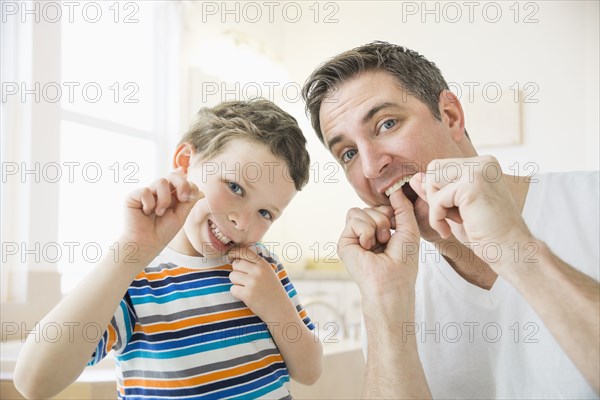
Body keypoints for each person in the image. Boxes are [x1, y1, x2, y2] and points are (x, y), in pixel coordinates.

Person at [301, 41, 599, 399]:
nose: (370, 166)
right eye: (348, 152)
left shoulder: (589, 200)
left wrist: (512, 246)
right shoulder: (392, 280)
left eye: (387, 124)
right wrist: (384, 306)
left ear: (451, 116)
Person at [14, 99, 323, 399]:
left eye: (265, 213)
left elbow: (310, 373)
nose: (242, 222)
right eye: (235, 187)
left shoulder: (262, 265)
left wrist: (278, 310)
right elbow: (34, 383)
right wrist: (130, 252)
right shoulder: (136, 277)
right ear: (185, 162)